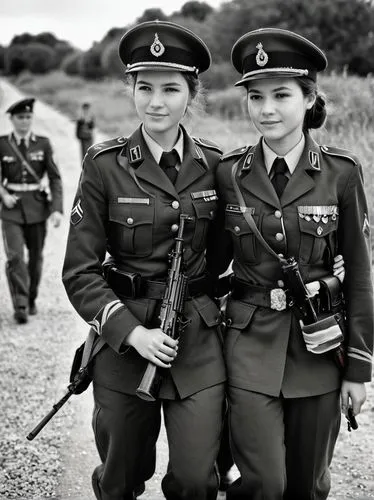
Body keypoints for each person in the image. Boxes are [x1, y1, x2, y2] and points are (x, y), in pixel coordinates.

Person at [62, 21, 227, 500]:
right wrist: (131, 333)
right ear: (130, 89)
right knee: (120, 478)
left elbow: (240, 248)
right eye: (145, 87)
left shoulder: (217, 165)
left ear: (191, 94)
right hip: (124, 340)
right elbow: (79, 271)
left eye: (171, 89)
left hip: (195, 339)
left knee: (199, 480)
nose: (157, 102)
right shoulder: (103, 164)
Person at [213, 28, 374, 499]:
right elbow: (210, 266)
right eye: (256, 96)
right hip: (247, 348)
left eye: (281, 95)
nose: (266, 109)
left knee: (307, 486)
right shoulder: (228, 173)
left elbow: (361, 275)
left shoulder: (343, 174)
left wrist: (358, 369)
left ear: (309, 99)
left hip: (321, 350)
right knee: (266, 482)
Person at [0, 98, 63, 324]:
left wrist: (56, 209)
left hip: (37, 207)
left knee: (35, 258)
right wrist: (3, 194)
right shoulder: (3, 144)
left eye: (28, 117)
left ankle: (31, 297)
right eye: (20, 117)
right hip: (11, 209)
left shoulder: (43, 144)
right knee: (15, 256)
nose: (24, 121)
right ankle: (21, 304)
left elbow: (55, 178)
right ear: (12, 119)